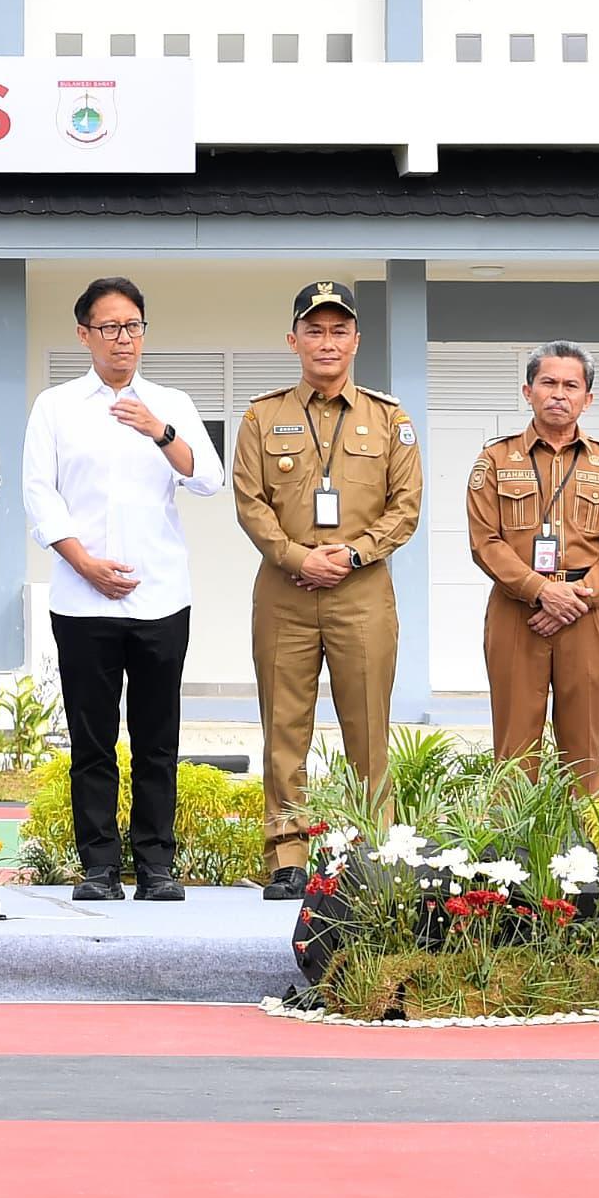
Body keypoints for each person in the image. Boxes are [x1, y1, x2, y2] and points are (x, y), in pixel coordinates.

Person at [25, 274, 222, 900]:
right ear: (84, 334)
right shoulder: (55, 407)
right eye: (108, 328)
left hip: (161, 596)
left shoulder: (171, 403)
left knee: (158, 737)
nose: (122, 340)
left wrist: (159, 432)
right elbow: (39, 493)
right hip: (83, 599)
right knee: (92, 739)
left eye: (132, 327)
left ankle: (157, 866)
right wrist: (82, 562)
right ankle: (99, 867)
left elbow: (209, 479)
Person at [230, 279, 424, 895]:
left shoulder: (389, 419)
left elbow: (406, 505)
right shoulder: (263, 416)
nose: (327, 341)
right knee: (285, 726)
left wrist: (354, 553)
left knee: (368, 726)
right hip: (286, 590)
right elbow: (250, 501)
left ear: (357, 341)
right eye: (314, 329)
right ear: (294, 340)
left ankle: (375, 856)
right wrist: (295, 556)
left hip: (361, 592)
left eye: (339, 330)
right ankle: (288, 856)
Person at [467, 342, 599, 792]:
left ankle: (582, 845)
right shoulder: (496, 460)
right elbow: (485, 541)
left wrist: (575, 598)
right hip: (516, 610)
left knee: (582, 741)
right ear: (528, 391)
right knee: (514, 742)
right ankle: (511, 850)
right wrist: (540, 591)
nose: (558, 394)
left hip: (586, 611)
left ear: (588, 398)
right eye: (547, 383)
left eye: (570, 385)